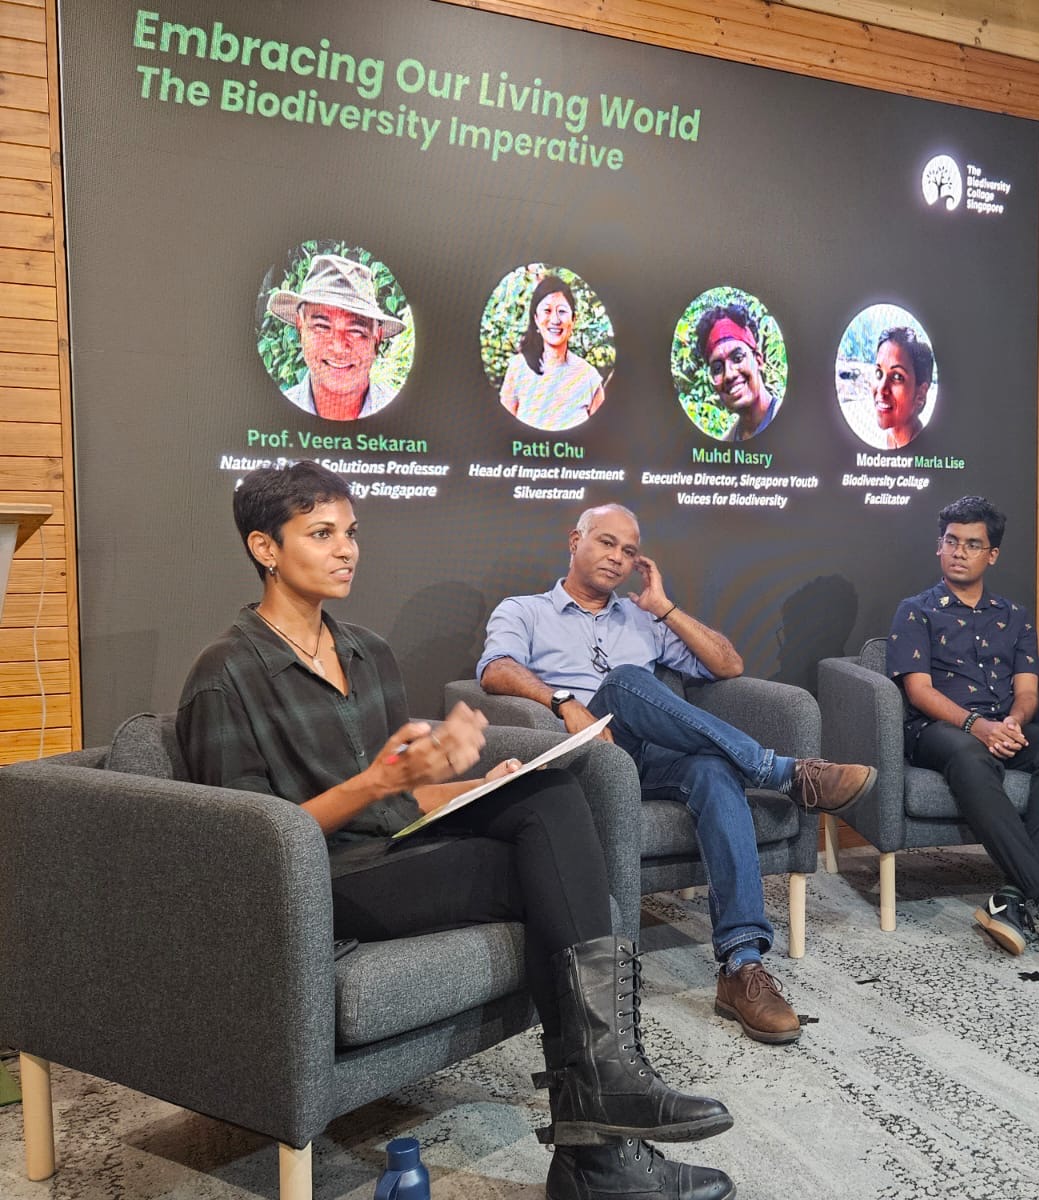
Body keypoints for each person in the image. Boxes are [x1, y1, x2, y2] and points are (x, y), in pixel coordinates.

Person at [177, 463, 733, 1200]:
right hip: (316, 883)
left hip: (393, 848)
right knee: (553, 882)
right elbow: (243, 848)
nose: (347, 550)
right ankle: (598, 1146)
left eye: (351, 533)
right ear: (265, 548)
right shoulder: (225, 674)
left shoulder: (367, 651)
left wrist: (476, 784)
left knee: (550, 794)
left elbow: (403, 794)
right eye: (321, 534)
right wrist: (381, 781)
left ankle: (602, 1109)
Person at [478, 503, 877, 1045]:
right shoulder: (525, 610)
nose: (617, 558)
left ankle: (741, 965)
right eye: (606, 543)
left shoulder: (641, 617)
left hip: (647, 758)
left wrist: (664, 608)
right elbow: (495, 669)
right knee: (622, 681)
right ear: (575, 541)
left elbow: (728, 665)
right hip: (584, 760)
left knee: (712, 769)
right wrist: (564, 702)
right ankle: (782, 772)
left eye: (629, 551)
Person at [887, 495, 1039, 966]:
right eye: (951, 541)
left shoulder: (1015, 615)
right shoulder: (916, 610)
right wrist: (976, 725)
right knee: (970, 755)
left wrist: (1014, 722)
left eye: (972, 544)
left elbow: (1027, 691)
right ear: (939, 546)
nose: (959, 552)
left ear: (992, 554)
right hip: (939, 730)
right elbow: (919, 691)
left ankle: (1009, 897)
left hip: (1001, 726)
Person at [268, 254, 406, 421]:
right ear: (300, 327)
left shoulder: (406, 418)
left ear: (377, 338)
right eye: (322, 327)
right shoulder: (271, 417)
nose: (339, 348)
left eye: (355, 331)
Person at [500, 274, 606, 431]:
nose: (555, 320)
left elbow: (601, 434)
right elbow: (502, 430)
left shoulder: (589, 376)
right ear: (536, 318)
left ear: (573, 320)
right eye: (547, 310)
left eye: (562, 311)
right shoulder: (518, 368)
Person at [693, 304, 778, 441]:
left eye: (738, 358)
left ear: (758, 360)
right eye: (717, 369)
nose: (729, 375)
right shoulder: (725, 445)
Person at [870, 326, 933, 449]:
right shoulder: (891, 437)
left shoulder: (926, 452)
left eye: (897, 377)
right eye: (879, 373)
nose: (881, 389)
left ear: (921, 394)